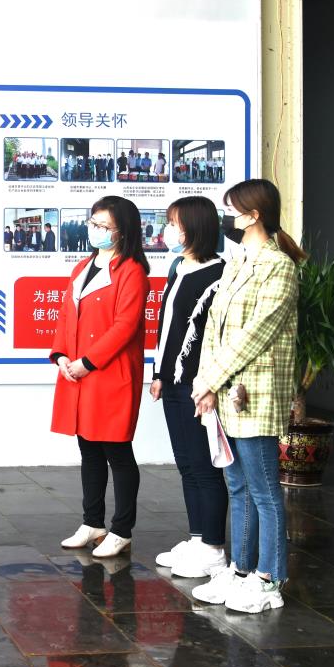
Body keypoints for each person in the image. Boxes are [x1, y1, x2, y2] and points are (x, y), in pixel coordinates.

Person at [191, 179, 303, 613]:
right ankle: (240, 570)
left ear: (254, 215)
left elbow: (255, 334)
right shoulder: (238, 262)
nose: (227, 218)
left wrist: (210, 380)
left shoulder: (279, 266)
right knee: (237, 486)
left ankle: (269, 579)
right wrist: (206, 382)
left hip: (255, 393)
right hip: (225, 390)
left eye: (232, 211)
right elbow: (214, 329)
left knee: (264, 490)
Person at [50, 196, 149, 558]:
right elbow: (66, 316)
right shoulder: (83, 266)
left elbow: (125, 326)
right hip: (78, 372)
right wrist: (62, 355)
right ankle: (92, 522)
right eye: (93, 223)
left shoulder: (132, 271)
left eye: (104, 226)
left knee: (117, 450)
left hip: (109, 373)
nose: (96, 230)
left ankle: (122, 529)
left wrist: (88, 362)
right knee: (88, 448)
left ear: (123, 231)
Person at [147, 197, 228, 579]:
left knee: (204, 466)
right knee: (186, 464)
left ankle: (214, 547)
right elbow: (169, 328)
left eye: (174, 223)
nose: (168, 230)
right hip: (173, 383)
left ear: (194, 227)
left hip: (198, 386)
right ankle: (197, 538)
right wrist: (159, 373)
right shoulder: (179, 267)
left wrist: (208, 384)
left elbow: (216, 336)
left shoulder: (219, 273)